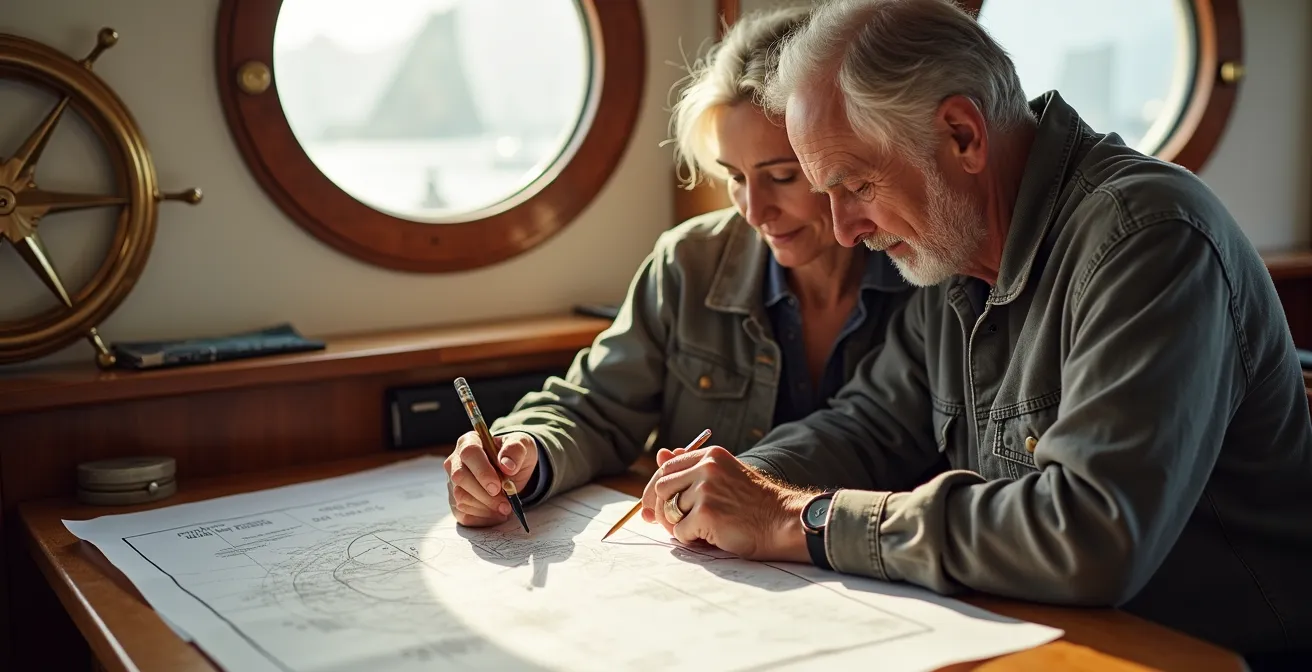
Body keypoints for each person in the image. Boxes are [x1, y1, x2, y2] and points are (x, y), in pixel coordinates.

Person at [637, 0, 1312, 665]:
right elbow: (871, 425)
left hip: (1210, 651)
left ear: (962, 134)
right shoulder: (951, 244)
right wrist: (740, 481)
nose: (845, 230)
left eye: (859, 185)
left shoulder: (1150, 240)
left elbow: (1085, 537)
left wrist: (796, 520)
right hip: (1034, 629)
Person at [444, 7, 914, 528]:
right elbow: (595, 406)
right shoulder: (688, 262)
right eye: (735, 176)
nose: (754, 211)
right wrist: (525, 452)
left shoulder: (921, 273)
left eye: (782, 176)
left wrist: (755, 487)